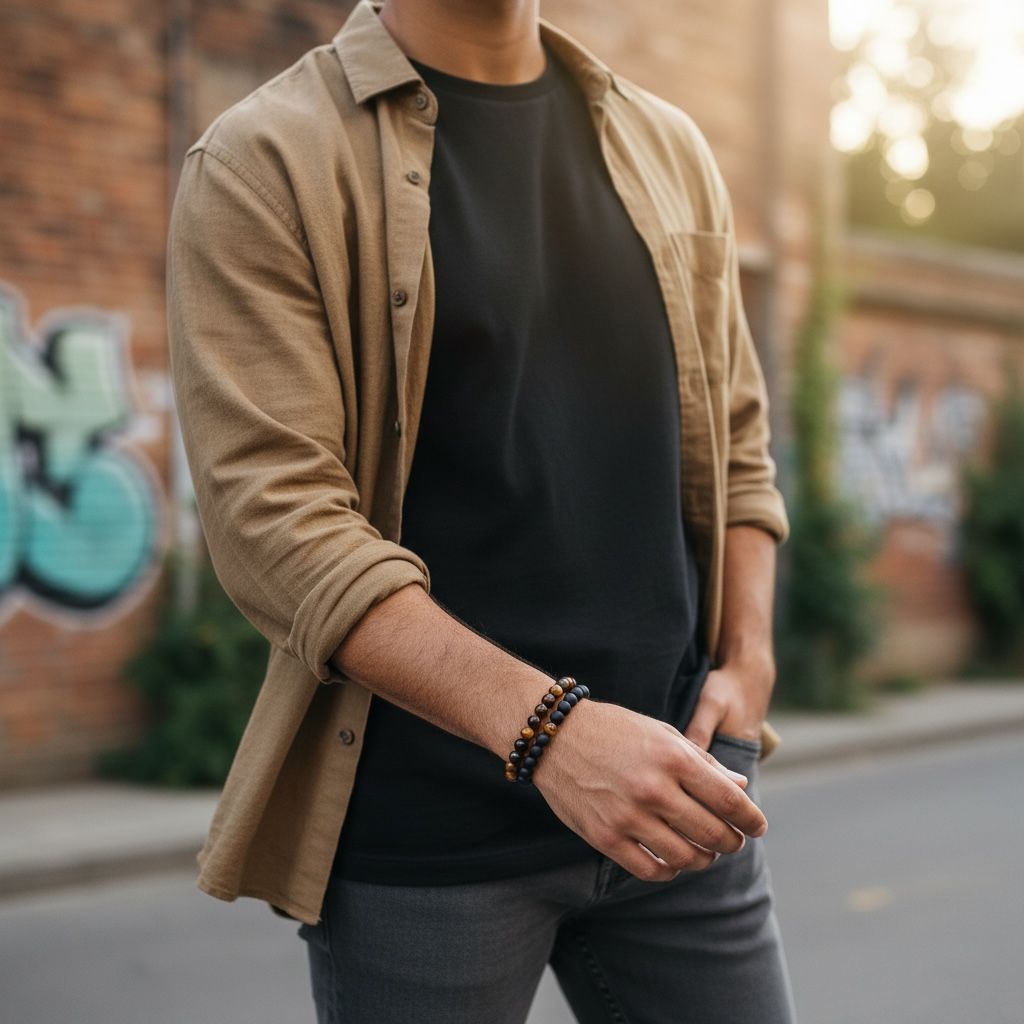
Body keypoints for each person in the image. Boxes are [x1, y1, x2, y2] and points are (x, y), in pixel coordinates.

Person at [168, 0, 796, 1020]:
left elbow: (735, 438)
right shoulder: (265, 159)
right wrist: (554, 734)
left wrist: (751, 655)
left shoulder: (665, 146)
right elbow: (278, 525)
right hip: (429, 849)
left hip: (681, 807)